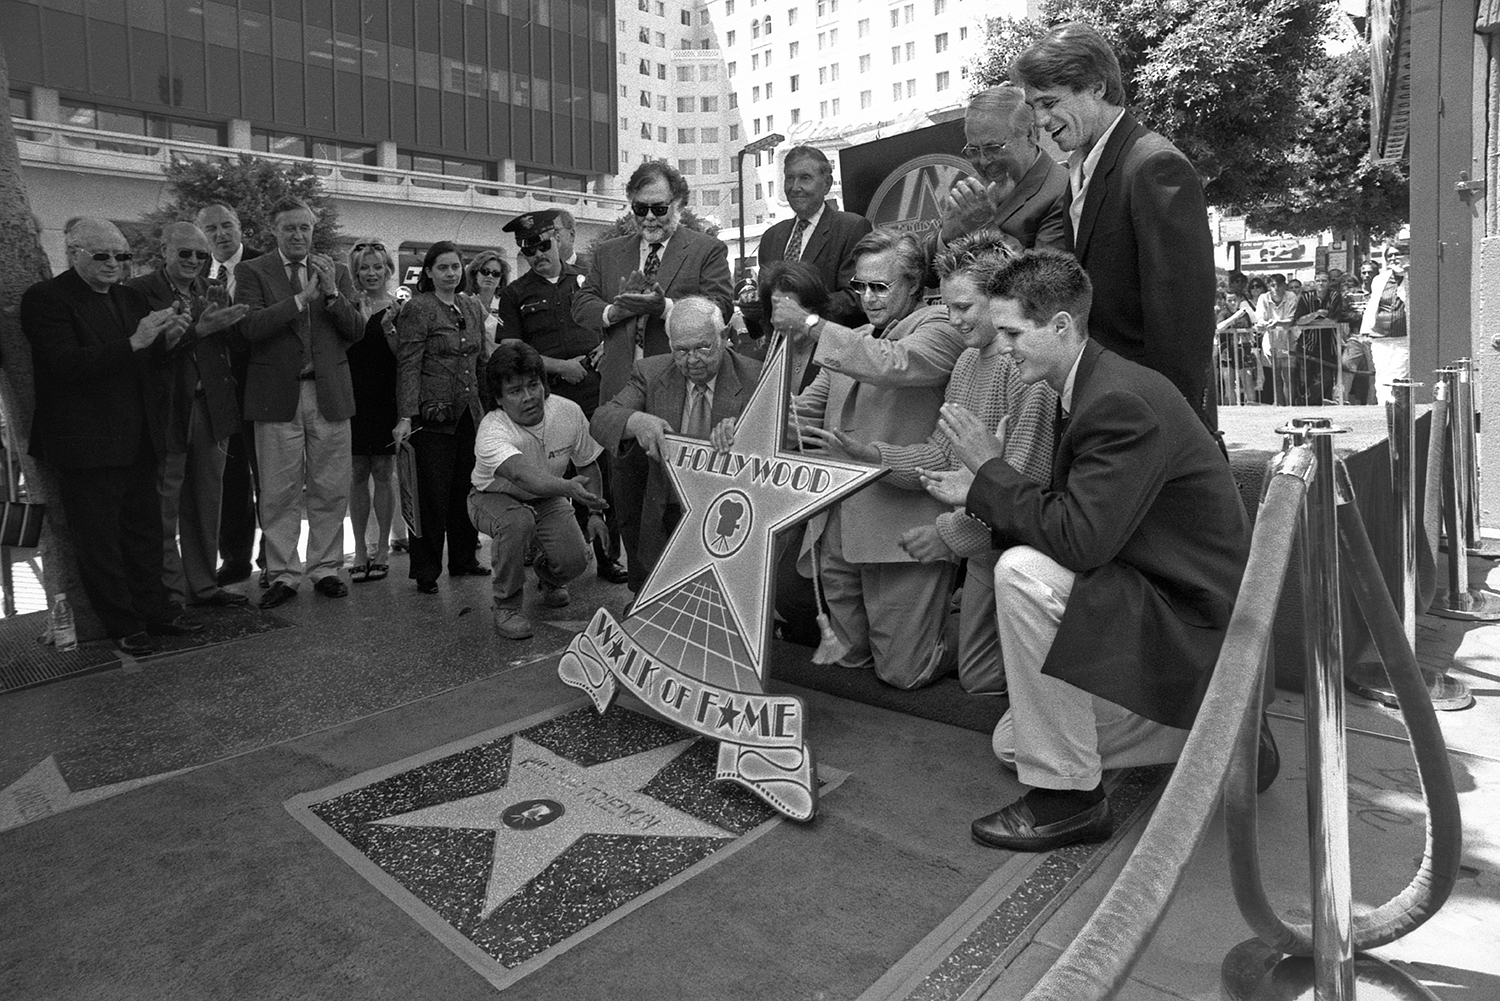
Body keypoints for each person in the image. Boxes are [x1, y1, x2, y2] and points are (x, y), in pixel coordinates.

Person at [917, 250, 1256, 851]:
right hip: (1146, 592)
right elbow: (1077, 520)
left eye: (1014, 333)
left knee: (1021, 572)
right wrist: (982, 488)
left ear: (1063, 327)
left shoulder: (1118, 400)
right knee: (1009, 740)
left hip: (1187, 619)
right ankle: (1218, 733)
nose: (1005, 347)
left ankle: (1068, 801)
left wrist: (988, 473)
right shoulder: (1094, 385)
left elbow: (1079, 538)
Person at [806, 231, 1055, 695]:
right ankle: (959, 606)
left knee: (975, 678)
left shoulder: (1026, 371)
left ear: (1002, 301)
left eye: (964, 307)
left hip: (1015, 546)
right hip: (983, 535)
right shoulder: (967, 363)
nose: (953, 318)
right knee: (964, 672)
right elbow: (941, 454)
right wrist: (872, 455)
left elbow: (1025, 484)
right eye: (949, 304)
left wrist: (947, 535)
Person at [780, 230, 967, 690]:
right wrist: (756, 418)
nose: (867, 298)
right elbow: (805, 409)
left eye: (880, 287)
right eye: (859, 287)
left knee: (904, 672)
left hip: (900, 528)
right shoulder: (856, 338)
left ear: (915, 286)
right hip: (837, 528)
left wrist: (811, 326)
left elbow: (893, 363)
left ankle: (977, 615)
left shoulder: (941, 327)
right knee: (849, 659)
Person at [1014, 21, 1218, 429]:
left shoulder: (1154, 165)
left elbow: (1181, 325)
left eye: (1049, 102)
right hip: (1103, 409)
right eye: (1034, 107)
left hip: (1145, 421)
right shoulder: (1080, 170)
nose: (1040, 120)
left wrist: (1165, 429)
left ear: (1097, 87)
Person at [21, 218, 203, 655]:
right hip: (85, 441)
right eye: (101, 255)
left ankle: (156, 612)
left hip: (138, 434)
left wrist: (173, 339)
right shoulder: (46, 298)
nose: (113, 264)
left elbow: (149, 360)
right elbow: (65, 364)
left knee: (144, 531)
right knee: (98, 538)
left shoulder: (129, 296)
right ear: (73, 253)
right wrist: (138, 342)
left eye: (121, 256)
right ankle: (123, 624)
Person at [573, 161, 734, 591]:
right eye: (639, 209)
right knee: (627, 498)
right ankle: (642, 593)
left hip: (682, 390)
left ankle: (689, 591)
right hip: (623, 391)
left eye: (659, 209)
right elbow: (582, 302)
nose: (649, 219)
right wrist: (615, 311)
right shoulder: (608, 252)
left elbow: (722, 306)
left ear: (678, 203)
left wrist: (666, 309)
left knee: (680, 502)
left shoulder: (705, 250)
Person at [235, 197, 364, 609]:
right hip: (276, 396)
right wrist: (299, 300)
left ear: (313, 230)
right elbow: (250, 327)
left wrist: (329, 295)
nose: (297, 235)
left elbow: (356, 330)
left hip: (327, 393)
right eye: (289, 228)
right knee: (278, 491)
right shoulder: (252, 271)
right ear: (274, 231)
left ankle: (326, 568)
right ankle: (284, 574)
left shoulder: (336, 271)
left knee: (329, 487)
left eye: (304, 228)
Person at [494, 208, 628, 585]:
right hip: (546, 399)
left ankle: (606, 557)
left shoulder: (589, 279)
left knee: (599, 474)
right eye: (527, 250)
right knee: (549, 480)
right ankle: (551, 563)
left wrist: (609, 346)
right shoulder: (515, 293)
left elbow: (619, 319)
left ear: (557, 239)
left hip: (593, 393)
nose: (537, 254)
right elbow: (510, 348)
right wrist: (557, 366)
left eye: (542, 245)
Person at [591, 297, 761, 592]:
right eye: (681, 350)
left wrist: (746, 432)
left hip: (727, 508)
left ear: (722, 338)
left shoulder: (756, 376)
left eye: (702, 348)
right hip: (669, 503)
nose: (692, 360)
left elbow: (783, 439)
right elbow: (602, 419)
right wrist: (638, 421)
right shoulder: (651, 372)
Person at [127, 222, 251, 610]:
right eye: (186, 253)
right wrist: (202, 327)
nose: (195, 261)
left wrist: (226, 322)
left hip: (211, 408)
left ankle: (204, 586)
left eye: (201, 255)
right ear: (164, 250)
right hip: (168, 412)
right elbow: (148, 354)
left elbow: (227, 345)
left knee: (206, 504)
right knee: (165, 508)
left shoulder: (205, 288)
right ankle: (171, 596)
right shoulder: (138, 292)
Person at [468, 341, 610, 640]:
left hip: (547, 496)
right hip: (492, 497)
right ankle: (506, 605)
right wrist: (569, 488)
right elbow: (524, 476)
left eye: (533, 385)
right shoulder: (492, 430)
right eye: (515, 391)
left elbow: (587, 465)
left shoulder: (568, 411)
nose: (529, 397)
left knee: (576, 562)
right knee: (517, 521)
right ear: (498, 398)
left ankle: (548, 577)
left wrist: (596, 514)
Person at [393, 241, 490, 594]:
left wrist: (492, 410)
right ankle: (425, 569)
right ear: (429, 272)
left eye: (456, 266)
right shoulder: (419, 309)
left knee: (466, 488)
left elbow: (481, 361)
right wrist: (405, 415)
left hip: (469, 413)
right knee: (431, 494)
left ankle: (464, 559)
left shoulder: (471, 306)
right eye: (443, 267)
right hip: (431, 415)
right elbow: (408, 363)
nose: (451, 273)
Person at [197, 202, 265, 588]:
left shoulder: (261, 266)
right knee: (231, 478)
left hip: (261, 385)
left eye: (226, 225)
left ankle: (274, 557)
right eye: (211, 229)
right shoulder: (196, 274)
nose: (221, 234)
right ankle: (236, 558)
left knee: (270, 478)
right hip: (218, 392)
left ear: (240, 227)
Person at [935, 85, 1070, 253]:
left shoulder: (1062, 192)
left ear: (1031, 135)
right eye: (974, 150)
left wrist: (983, 227)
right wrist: (945, 237)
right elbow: (921, 269)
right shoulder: (975, 186)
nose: (984, 162)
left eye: (994, 148)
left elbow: (1045, 276)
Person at [755, 145, 873, 328]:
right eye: (789, 178)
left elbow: (857, 297)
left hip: (829, 347)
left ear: (827, 183)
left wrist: (801, 313)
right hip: (780, 348)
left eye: (805, 178)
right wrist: (751, 309)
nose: (795, 187)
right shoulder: (771, 238)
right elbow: (766, 305)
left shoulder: (851, 228)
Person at [344, 239, 401, 583]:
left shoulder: (397, 308)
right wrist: (360, 322)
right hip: (352, 397)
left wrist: (386, 326)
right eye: (364, 267)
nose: (371, 273)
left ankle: (383, 548)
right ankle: (360, 549)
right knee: (355, 473)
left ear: (388, 270)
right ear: (355, 272)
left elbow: (402, 355)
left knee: (382, 471)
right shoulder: (346, 306)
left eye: (378, 266)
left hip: (385, 397)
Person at [1360, 242, 1410, 405]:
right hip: (1380, 337)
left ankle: (1396, 411)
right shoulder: (1379, 280)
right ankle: (1384, 409)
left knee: (1398, 374)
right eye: (1390, 256)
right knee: (1382, 376)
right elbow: (1373, 305)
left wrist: (1407, 273)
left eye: (1398, 254)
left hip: (1403, 337)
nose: (1394, 258)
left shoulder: (1412, 276)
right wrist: (1366, 329)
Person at [1292, 269, 1351, 405]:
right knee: (1305, 380)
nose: (1321, 284)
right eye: (1318, 281)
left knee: (1327, 379)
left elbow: (1333, 321)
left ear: (1329, 282)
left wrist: (1311, 322)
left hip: (1328, 346)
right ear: (1314, 282)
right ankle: (1306, 405)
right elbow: (1299, 320)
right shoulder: (1306, 297)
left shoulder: (1335, 296)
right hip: (1307, 345)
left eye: (1324, 281)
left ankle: (1324, 404)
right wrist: (1316, 314)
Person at [1254, 273, 1298, 406]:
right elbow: (1260, 318)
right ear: (1268, 286)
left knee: (1288, 377)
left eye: (1279, 285)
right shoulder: (1263, 297)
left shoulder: (1291, 296)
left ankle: (1290, 406)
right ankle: (1279, 406)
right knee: (1275, 378)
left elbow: (1291, 320)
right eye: (1273, 285)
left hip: (1288, 343)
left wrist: (1276, 323)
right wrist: (1262, 323)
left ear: (1285, 286)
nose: (1276, 288)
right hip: (1270, 344)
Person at [465, 249, 509, 357]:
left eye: (496, 273)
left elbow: (505, 340)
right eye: (485, 271)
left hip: (496, 363)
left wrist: (486, 317)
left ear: (500, 280)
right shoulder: (463, 301)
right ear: (475, 274)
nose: (490, 276)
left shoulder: (507, 305)